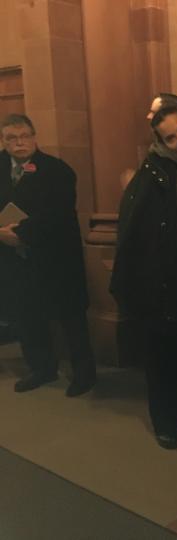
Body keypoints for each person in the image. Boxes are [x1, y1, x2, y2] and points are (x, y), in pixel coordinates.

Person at [110, 105, 177, 449]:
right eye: (171, 137)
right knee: (162, 356)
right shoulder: (151, 174)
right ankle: (166, 422)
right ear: (160, 142)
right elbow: (133, 234)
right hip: (161, 284)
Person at [0, 114, 96, 396]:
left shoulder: (57, 170)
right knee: (28, 315)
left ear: (34, 137)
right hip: (15, 260)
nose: (19, 143)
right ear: (4, 142)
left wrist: (20, 233)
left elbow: (58, 213)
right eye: (11, 138)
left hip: (55, 258)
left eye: (24, 136)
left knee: (71, 319)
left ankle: (84, 374)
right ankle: (41, 368)